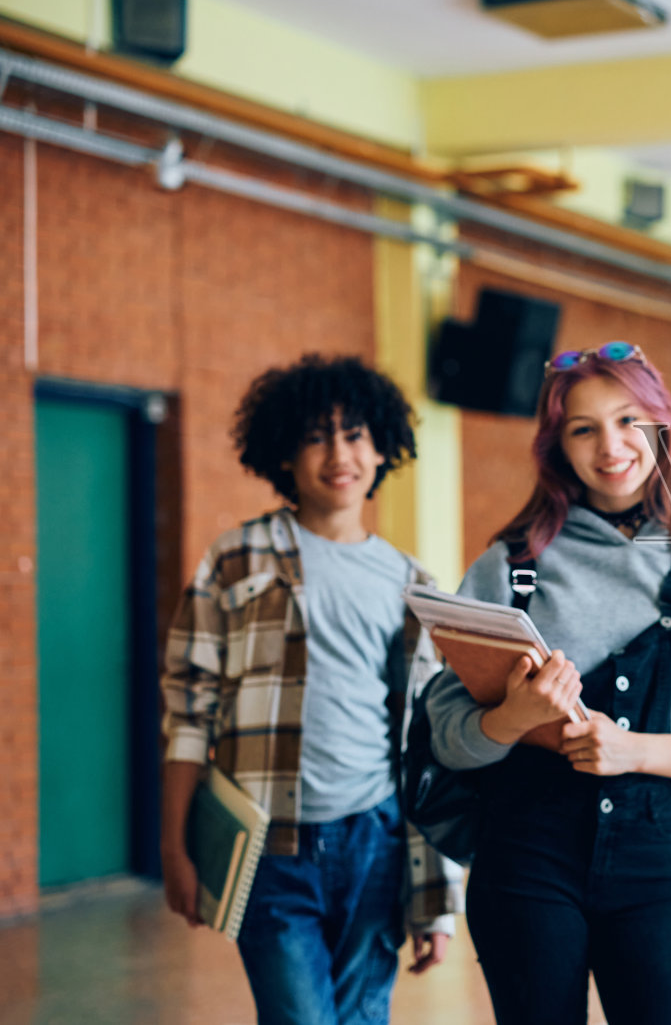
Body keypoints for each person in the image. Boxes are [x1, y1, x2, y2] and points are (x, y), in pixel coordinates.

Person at [427, 341, 671, 1025]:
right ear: (558, 448)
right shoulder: (511, 569)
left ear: (662, 427)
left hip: (650, 867)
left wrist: (633, 750)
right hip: (523, 859)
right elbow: (448, 739)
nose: (610, 445)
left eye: (627, 420)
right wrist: (513, 717)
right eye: (583, 429)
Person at [160, 354, 461, 1025]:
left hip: (379, 841)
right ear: (285, 454)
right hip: (268, 842)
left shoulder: (414, 585)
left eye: (355, 433)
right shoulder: (234, 559)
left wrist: (436, 897)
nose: (338, 453)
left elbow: (432, 748)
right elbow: (187, 710)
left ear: (383, 447)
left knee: (362, 1017)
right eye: (317, 435)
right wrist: (174, 847)